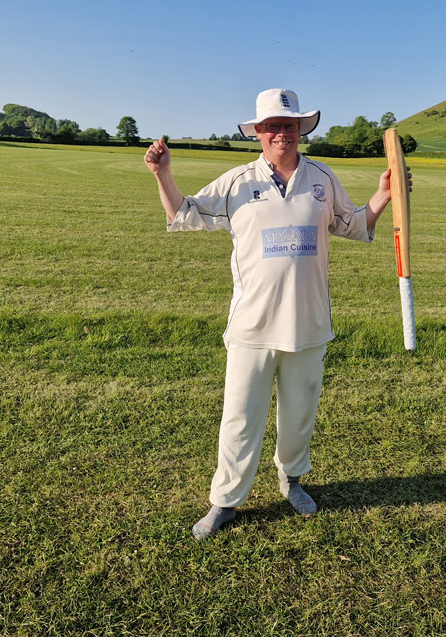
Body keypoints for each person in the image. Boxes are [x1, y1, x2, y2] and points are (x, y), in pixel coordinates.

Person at [144, 88, 411, 540]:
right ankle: (225, 501)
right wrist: (163, 174)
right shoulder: (237, 182)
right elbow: (184, 214)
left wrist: (384, 196)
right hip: (252, 326)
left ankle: (292, 480)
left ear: (300, 130)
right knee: (240, 417)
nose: (281, 134)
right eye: (272, 127)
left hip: (308, 324)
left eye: (289, 126)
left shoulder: (323, 179)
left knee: (299, 413)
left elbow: (351, 224)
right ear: (259, 134)